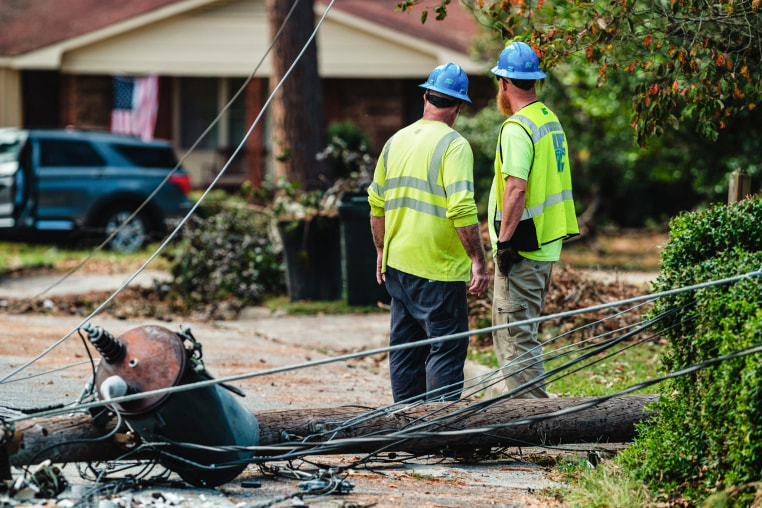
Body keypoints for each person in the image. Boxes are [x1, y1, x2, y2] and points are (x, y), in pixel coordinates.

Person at [367, 63, 490, 403]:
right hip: (438, 267)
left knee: (406, 347)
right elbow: (462, 209)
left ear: (426, 97)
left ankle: (407, 426)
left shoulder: (397, 140)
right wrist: (477, 260)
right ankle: (439, 432)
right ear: (459, 107)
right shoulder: (454, 145)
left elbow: (376, 203)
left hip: (399, 263)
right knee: (446, 348)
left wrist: (381, 250)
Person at [487, 42, 579, 398]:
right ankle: (529, 415)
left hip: (522, 249)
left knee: (514, 337)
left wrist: (505, 242)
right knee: (523, 333)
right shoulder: (548, 119)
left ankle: (532, 423)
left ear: (505, 83)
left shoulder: (517, 127)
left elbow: (516, 189)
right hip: (545, 244)